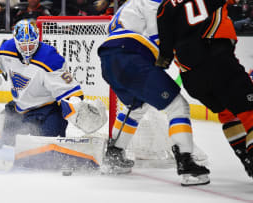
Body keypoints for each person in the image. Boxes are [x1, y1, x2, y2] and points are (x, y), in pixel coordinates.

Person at [0, 19, 107, 162]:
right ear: (15, 41)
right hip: (19, 110)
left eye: (31, 45)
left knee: (45, 153)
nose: (27, 49)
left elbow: (68, 90)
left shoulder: (50, 59)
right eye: (23, 45)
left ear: (38, 39)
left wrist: (76, 107)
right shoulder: (7, 49)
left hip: (47, 111)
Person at [97, 0, 210, 186]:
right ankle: (187, 164)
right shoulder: (154, 2)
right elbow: (159, 41)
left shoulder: (128, 5)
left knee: (135, 107)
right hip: (131, 56)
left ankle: (114, 156)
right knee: (178, 107)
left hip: (108, 60)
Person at [156, 0, 253, 178]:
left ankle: (245, 157)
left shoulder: (164, 7)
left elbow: (165, 54)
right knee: (249, 110)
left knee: (227, 113)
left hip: (192, 78)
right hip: (219, 60)